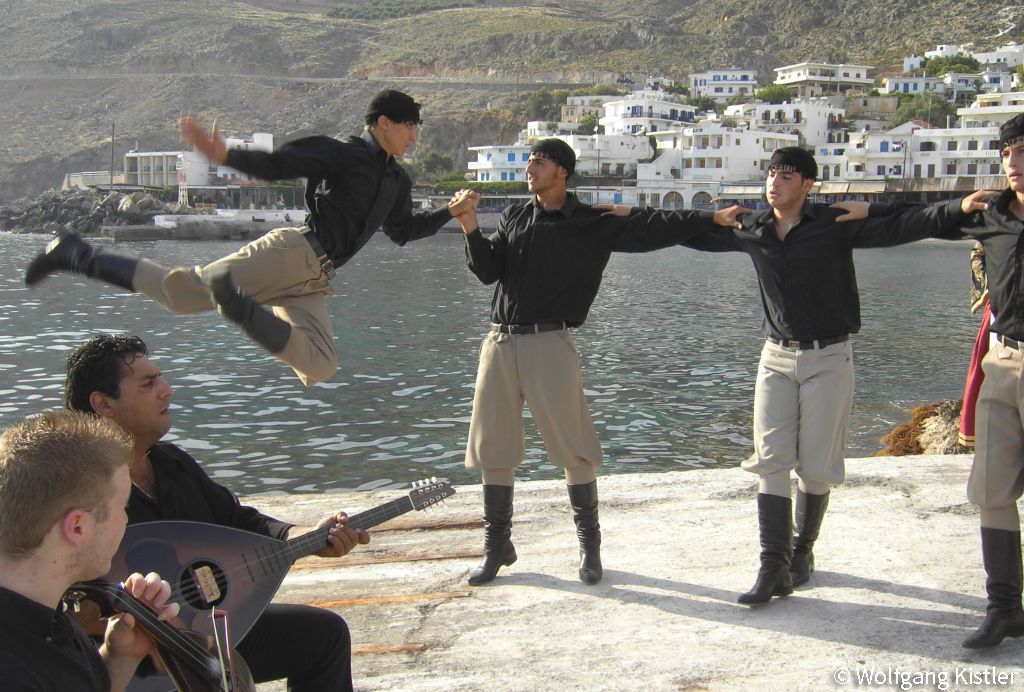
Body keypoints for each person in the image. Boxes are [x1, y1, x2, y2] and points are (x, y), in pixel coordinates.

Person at [606, 146, 993, 604]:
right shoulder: (753, 228)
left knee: (815, 465)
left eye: (787, 176)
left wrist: (957, 207)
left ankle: (801, 551)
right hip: (775, 358)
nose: (775, 182)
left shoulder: (833, 224)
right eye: (771, 174)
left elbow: (903, 225)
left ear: (808, 185)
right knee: (769, 460)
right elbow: (689, 231)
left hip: (829, 359)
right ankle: (772, 567)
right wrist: (631, 211)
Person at [25, 89, 479, 386]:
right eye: (409, 125)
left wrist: (450, 212)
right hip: (293, 253)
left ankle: (237, 306)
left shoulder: (397, 181)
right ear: (383, 122)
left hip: (314, 278)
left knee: (320, 366)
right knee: (179, 293)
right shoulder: (343, 154)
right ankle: (77, 253)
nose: (415, 136)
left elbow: (401, 232)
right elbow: (279, 163)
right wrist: (225, 153)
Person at [447, 138, 744, 586]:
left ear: (563, 171)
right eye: (529, 160)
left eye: (540, 161)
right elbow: (490, 271)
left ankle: (590, 547)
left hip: (550, 343)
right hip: (499, 343)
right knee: (493, 449)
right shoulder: (514, 216)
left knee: (575, 449)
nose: (531, 167)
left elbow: (653, 227)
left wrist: (709, 217)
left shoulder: (591, 223)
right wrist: (469, 225)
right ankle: (496, 547)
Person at [65, 334, 371, 690]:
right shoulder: (73, 489)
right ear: (104, 403)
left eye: (160, 379)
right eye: (149, 384)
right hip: (125, 660)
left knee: (322, 635)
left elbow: (237, 519)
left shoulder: (171, 462)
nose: (167, 390)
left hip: (202, 633)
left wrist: (301, 538)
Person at [0, 410, 179, 692]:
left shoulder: (46, 607)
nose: (126, 520)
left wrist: (118, 658)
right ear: (78, 527)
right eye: (123, 506)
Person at [947, 112, 1024, 649]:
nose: (1014, 164)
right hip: (1004, 365)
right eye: (1007, 154)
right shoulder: (993, 215)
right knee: (992, 489)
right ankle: (1005, 610)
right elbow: (922, 222)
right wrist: (860, 211)